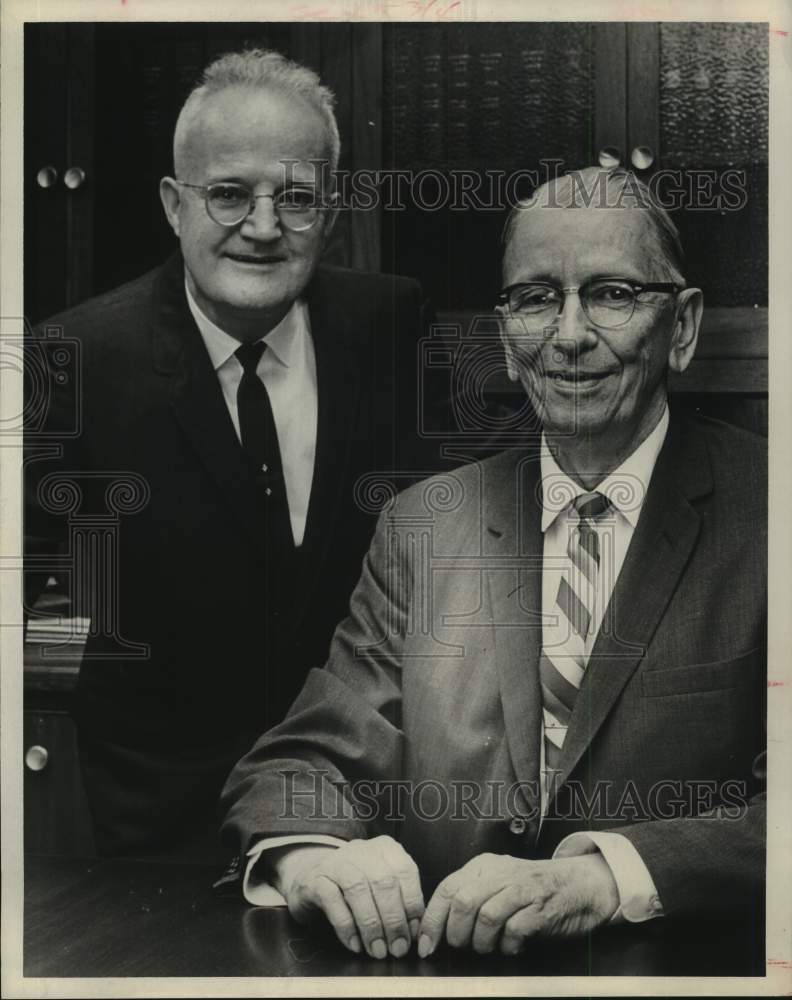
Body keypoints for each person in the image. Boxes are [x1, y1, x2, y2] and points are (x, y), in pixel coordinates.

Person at [220, 166, 766, 959]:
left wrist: (606, 877)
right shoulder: (424, 527)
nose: (569, 335)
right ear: (507, 340)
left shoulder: (771, 513)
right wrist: (314, 860)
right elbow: (304, 760)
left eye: (612, 294)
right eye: (537, 298)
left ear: (681, 327)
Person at [24, 49, 435, 860]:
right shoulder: (75, 358)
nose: (264, 226)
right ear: (174, 205)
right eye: (229, 194)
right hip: (165, 831)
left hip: (362, 818)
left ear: (332, 210)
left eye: (296, 197)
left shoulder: (391, 324)